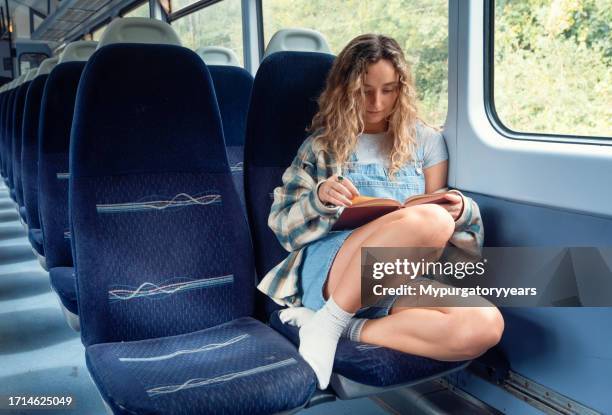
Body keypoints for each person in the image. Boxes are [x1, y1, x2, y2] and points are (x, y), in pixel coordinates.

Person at [257, 34, 504, 389]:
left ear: (401, 90)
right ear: (345, 90)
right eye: (364, 91)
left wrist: (462, 209)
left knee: (484, 324)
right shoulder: (321, 146)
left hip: (398, 275)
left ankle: (332, 325)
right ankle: (331, 316)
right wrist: (320, 198)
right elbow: (282, 226)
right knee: (429, 221)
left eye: (388, 90)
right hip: (335, 269)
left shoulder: (427, 143)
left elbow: (443, 233)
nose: (376, 102)